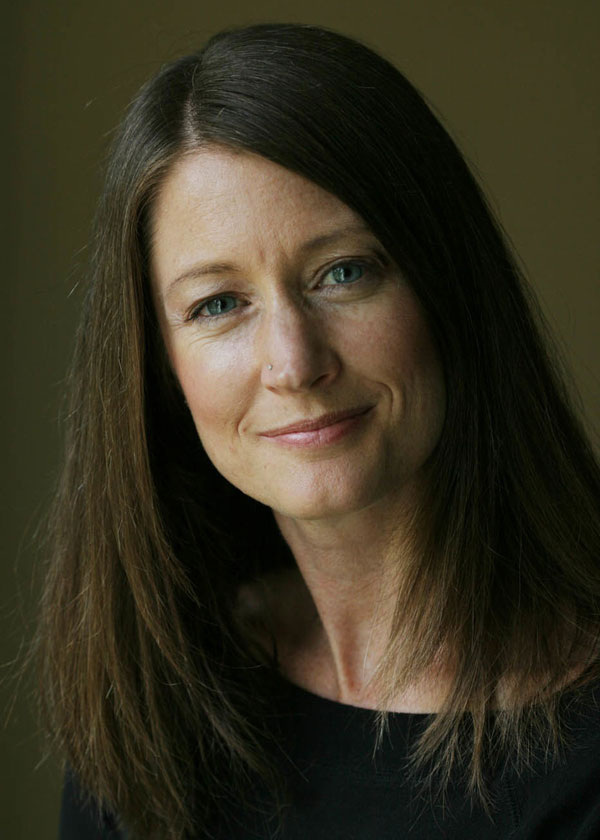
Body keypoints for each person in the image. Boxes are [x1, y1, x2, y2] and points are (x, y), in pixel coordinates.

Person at [29, 21, 600, 840]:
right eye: (218, 304)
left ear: (447, 285)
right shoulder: (158, 704)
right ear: (158, 366)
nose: (294, 362)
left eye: (343, 272)